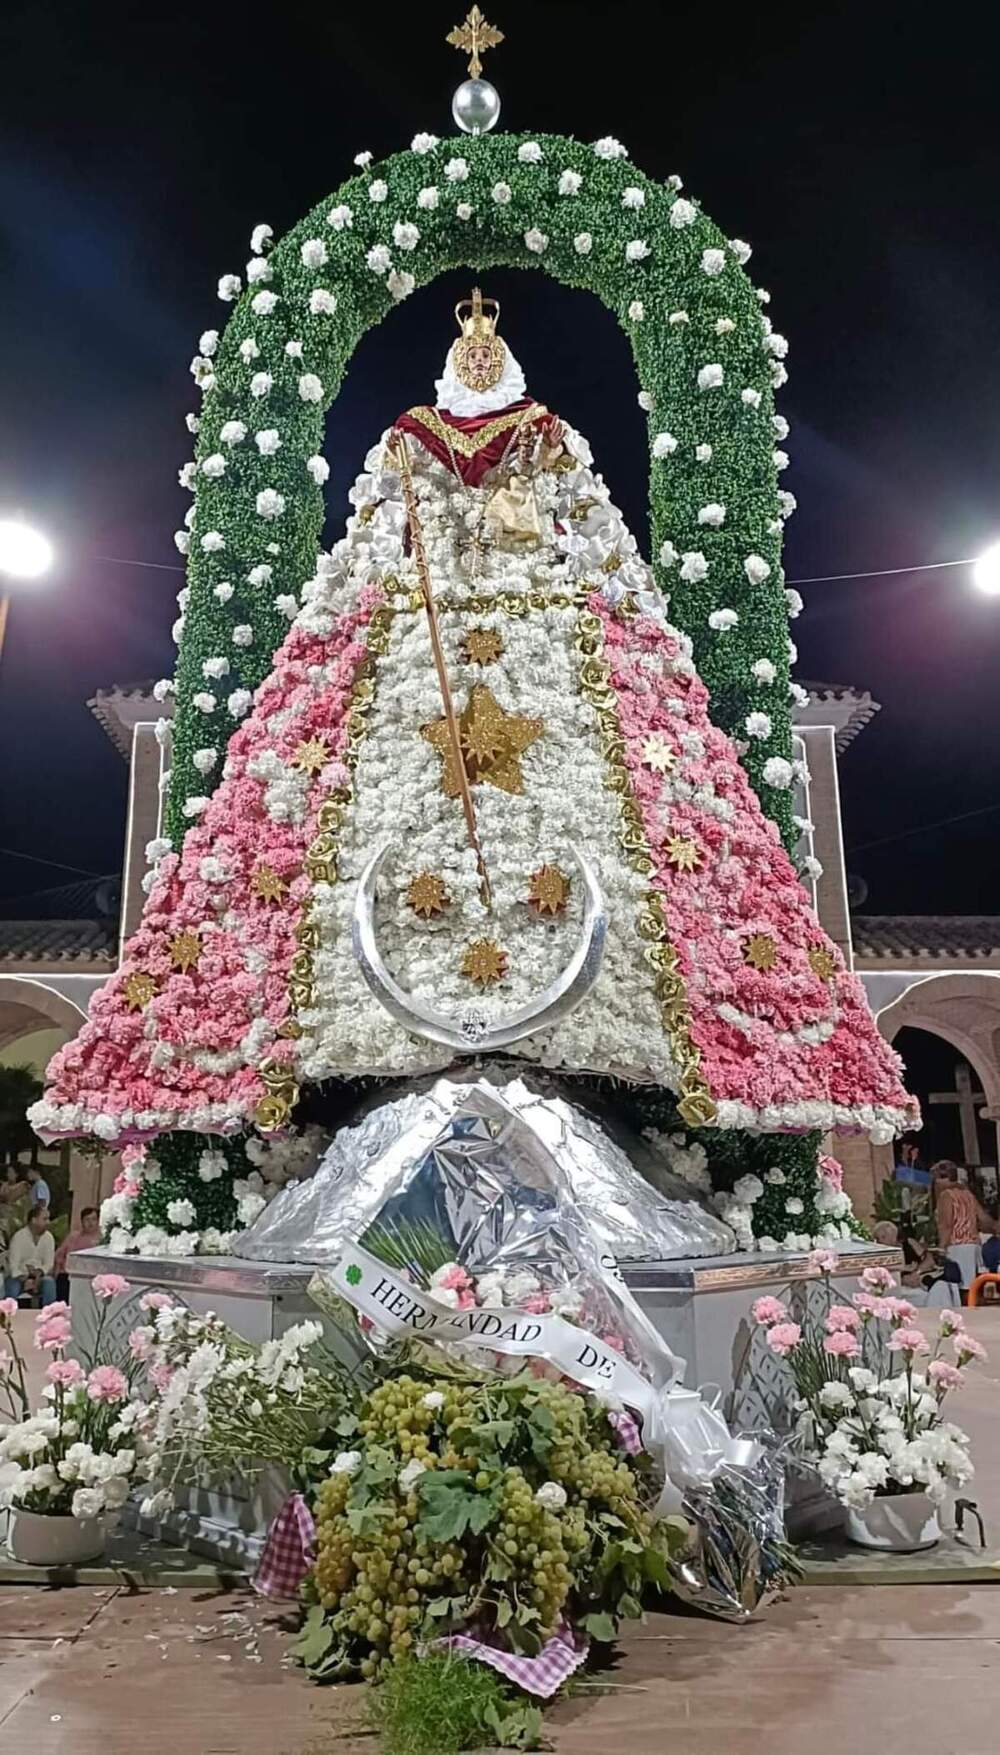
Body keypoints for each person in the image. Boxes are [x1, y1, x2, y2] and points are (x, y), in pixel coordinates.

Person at [32, 288, 917, 1152]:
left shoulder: (453, 440)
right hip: (469, 622)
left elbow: (542, 538)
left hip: (473, 621)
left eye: (484, 350)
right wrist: (636, 620)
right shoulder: (479, 440)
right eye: (475, 348)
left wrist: (341, 614)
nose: (479, 359)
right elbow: (564, 543)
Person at [933, 1159, 998, 1287]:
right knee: (974, 1286)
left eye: (936, 1179)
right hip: (974, 1247)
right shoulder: (968, 1194)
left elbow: (946, 1225)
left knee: (961, 1288)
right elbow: (984, 1218)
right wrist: (995, 1227)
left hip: (957, 1247)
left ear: (943, 1178)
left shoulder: (945, 1195)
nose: (935, 1183)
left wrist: (940, 1249)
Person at [5, 1205, 57, 1306]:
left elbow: (49, 1263)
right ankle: (8, 1317)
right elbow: (13, 1266)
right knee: (12, 1288)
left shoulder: (48, 1238)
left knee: (50, 1284)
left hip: (40, 1276)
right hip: (19, 1277)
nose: (48, 1222)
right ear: (34, 1220)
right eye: (45, 1219)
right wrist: (25, 1279)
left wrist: (39, 1273)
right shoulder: (19, 1237)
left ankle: (49, 1317)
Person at [53, 1206, 101, 1302]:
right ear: (82, 1221)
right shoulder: (73, 1237)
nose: (90, 1223)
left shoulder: (101, 1239)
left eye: (93, 1219)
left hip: (91, 1276)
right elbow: (60, 1254)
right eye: (87, 1220)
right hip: (69, 1274)